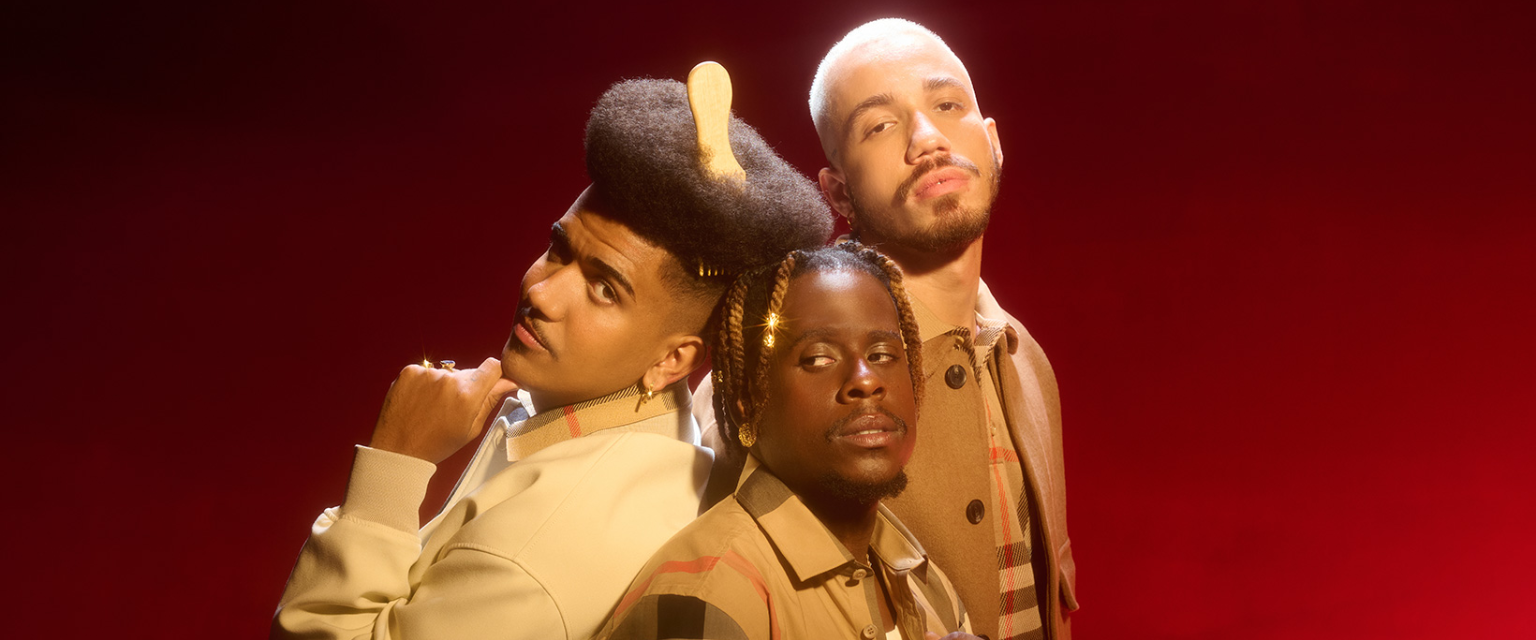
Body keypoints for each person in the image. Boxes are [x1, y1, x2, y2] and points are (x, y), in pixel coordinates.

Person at [272, 75, 832, 640]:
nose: (541, 292)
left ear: (674, 360)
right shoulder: (584, 410)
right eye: (557, 250)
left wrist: (392, 465)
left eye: (603, 288)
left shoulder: (541, 550)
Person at [806, 19, 1079, 640]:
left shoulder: (1027, 362)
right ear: (838, 192)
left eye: (947, 105)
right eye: (879, 126)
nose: (926, 139)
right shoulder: (787, 381)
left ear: (993, 143)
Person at [602, 243, 980, 640]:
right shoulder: (708, 595)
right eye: (818, 358)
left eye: (883, 353)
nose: (867, 380)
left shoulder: (922, 578)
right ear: (748, 402)